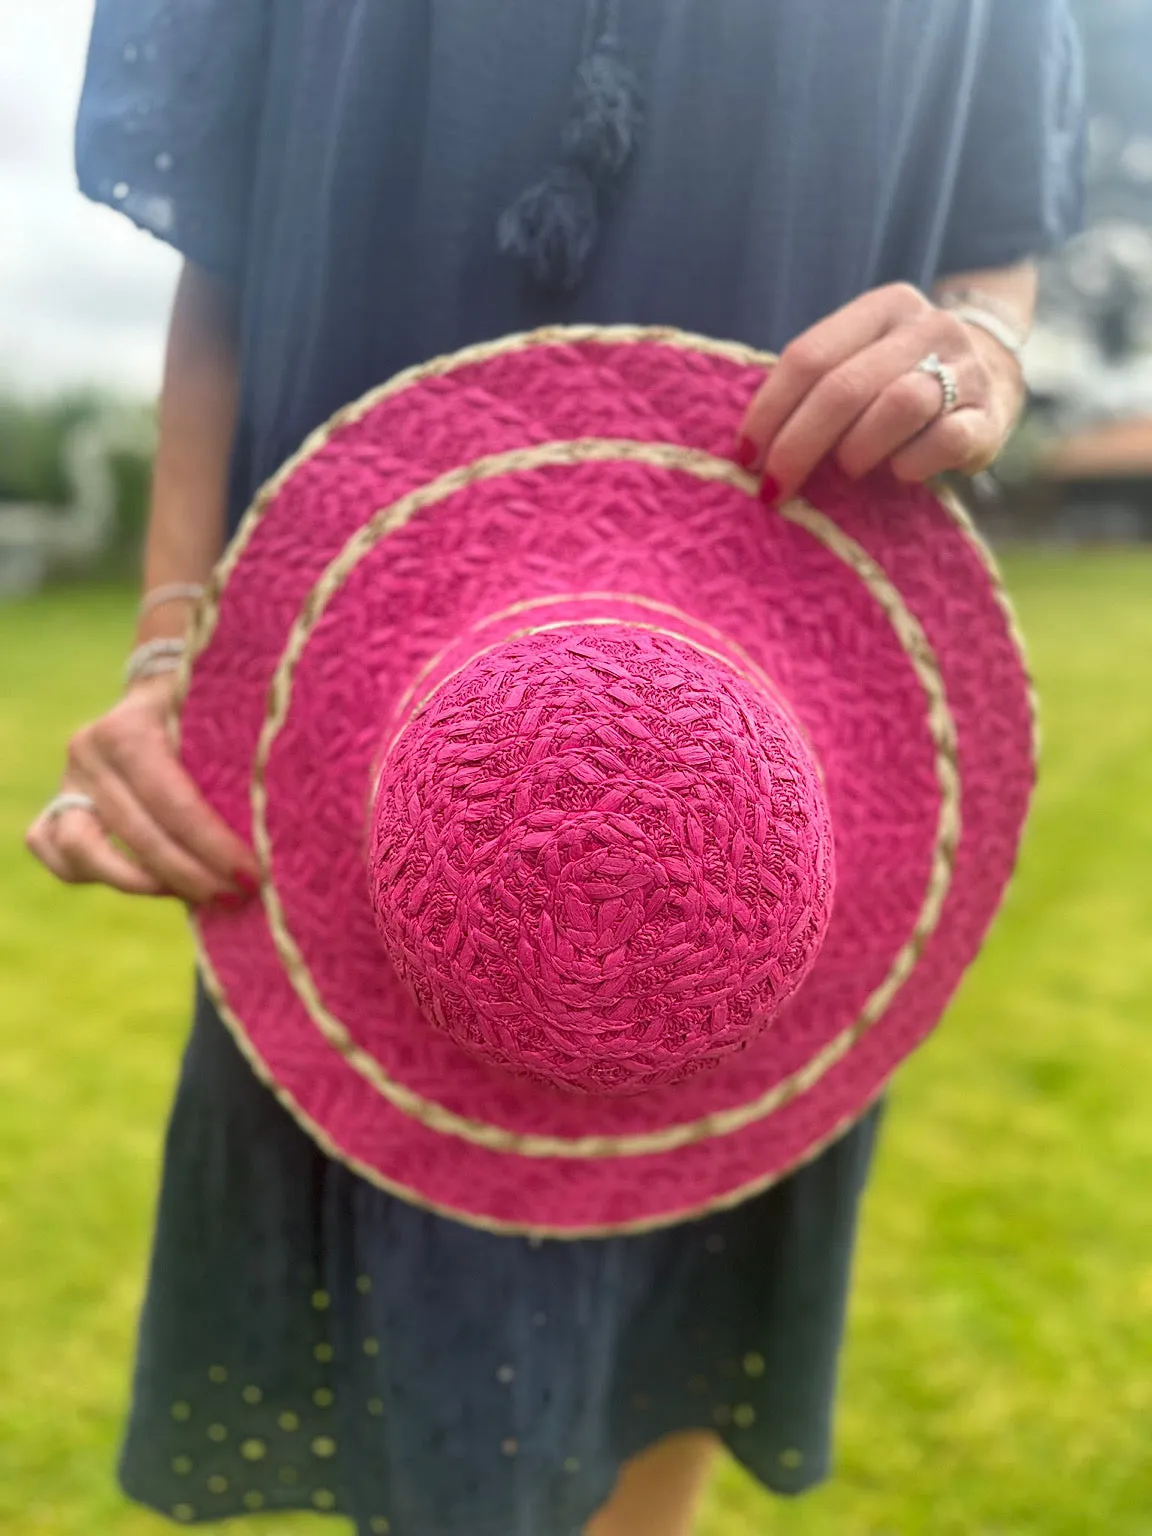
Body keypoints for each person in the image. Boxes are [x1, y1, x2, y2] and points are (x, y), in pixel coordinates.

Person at [27, 3, 1084, 1533]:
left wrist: (981, 339)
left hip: (769, 754)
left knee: (670, 1338)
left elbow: (997, 224)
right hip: (377, 732)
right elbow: (236, 231)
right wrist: (172, 632)